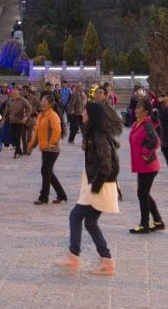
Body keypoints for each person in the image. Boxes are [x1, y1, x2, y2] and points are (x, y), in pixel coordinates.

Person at [56, 100, 119, 275]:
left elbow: (106, 166)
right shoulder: (93, 134)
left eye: (85, 111)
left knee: (76, 215)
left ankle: (74, 256)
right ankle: (106, 260)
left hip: (100, 186)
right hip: (97, 184)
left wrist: (95, 187)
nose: (82, 113)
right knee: (90, 222)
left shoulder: (99, 135)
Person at [129, 99, 163, 234]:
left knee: (142, 194)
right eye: (136, 108)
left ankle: (144, 225)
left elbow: (155, 140)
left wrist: (145, 151)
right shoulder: (136, 124)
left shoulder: (147, 125)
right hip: (142, 165)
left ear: (146, 112)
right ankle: (158, 221)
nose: (136, 110)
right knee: (144, 193)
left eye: (140, 108)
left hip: (148, 166)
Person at [28, 93, 67, 205]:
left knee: (45, 170)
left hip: (53, 149)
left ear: (50, 104)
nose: (42, 103)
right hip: (44, 148)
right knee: (48, 171)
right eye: (42, 101)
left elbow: (57, 130)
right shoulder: (41, 115)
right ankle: (61, 195)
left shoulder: (53, 115)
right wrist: (31, 146)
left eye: (44, 101)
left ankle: (43, 197)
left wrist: (52, 142)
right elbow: (37, 133)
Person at [4, 87, 32, 158]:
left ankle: (17, 152)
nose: (13, 93)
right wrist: (4, 118)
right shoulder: (10, 101)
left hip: (20, 121)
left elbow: (29, 108)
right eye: (12, 92)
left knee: (17, 136)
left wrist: (26, 117)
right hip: (12, 121)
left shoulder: (22, 100)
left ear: (18, 92)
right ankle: (19, 150)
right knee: (13, 137)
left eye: (14, 92)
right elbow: (6, 111)